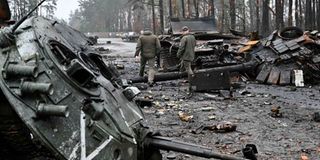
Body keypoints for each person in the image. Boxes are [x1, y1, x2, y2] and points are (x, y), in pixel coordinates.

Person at [176, 26, 196, 94]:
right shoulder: (193, 37)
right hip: (191, 55)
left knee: (188, 68)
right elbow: (194, 45)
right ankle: (181, 76)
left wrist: (178, 54)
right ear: (188, 30)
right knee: (182, 65)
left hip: (186, 56)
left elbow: (181, 48)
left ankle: (192, 80)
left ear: (183, 31)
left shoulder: (184, 38)